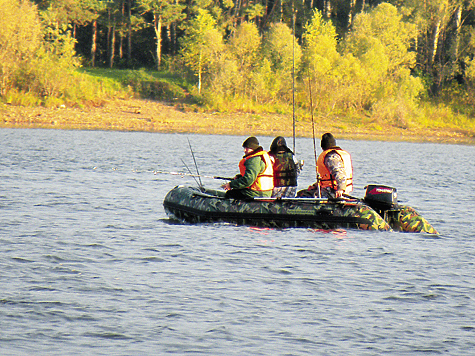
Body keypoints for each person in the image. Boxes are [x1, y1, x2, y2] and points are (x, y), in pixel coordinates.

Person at [300, 132, 353, 199]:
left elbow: (339, 173)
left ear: (323, 146)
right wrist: (315, 185)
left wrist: (340, 189)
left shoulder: (331, 157)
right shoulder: (341, 153)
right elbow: (326, 178)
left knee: (302, 194)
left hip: (332, 191)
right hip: (343, 190)